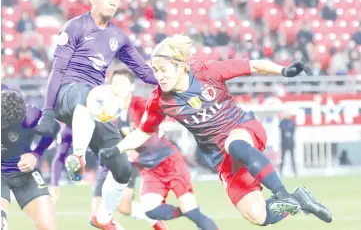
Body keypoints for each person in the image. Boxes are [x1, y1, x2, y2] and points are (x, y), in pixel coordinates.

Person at [100, 35, 333, 227]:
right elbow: (143, 131)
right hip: (222, 159)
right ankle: (299, 200)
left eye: (163, 69)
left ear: (180, 66)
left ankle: (283, 193)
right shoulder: (160, 101)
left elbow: (251, 65)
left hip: (242, 129)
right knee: (257, 215)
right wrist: (116, 149)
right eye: (155, 70)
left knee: (235, 143)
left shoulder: (206, 72)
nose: (158, 76)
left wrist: (283, 71)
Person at [34, 0, 157, 229]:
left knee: (122, 167)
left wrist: (173, 81)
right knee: (87, 95)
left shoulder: (119, 37)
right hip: (67, 95)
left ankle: (102, 218)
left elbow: (145, 72)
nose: (113, 2)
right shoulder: (75, 26)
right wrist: (47, 111)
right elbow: (57, 70)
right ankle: (78, 156)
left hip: (93, 106)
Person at [92, 69, 218, 230]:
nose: (119, 87)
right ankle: (187, 212)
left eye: (123, 83)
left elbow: (161, 108)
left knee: (192, 210)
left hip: (169, 162)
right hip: (148, 169)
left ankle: (192, 213)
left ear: (131, 87)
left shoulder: (140, 105)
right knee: (151, 210)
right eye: (115, 84)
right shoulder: (110, 114)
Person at [1, 90, 58, 230]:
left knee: (47, 226)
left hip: (24, 171)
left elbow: (53, 127)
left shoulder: (32, 115)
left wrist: (35, 154)